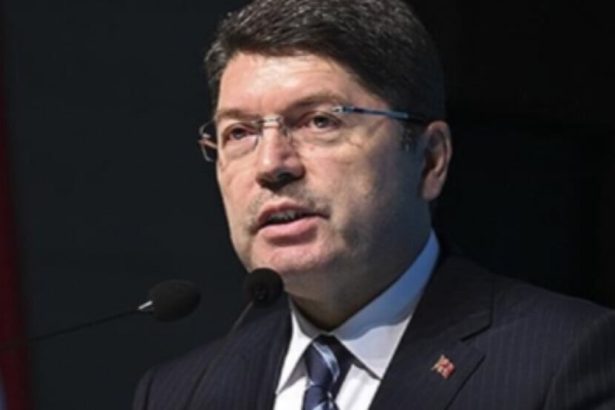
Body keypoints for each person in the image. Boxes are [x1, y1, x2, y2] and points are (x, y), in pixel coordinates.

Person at [133, 0, 615, 409]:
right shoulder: (179, 394)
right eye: (240, 132)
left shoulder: (567, 359)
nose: (271, 164)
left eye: (319, 121)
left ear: (430, 160)